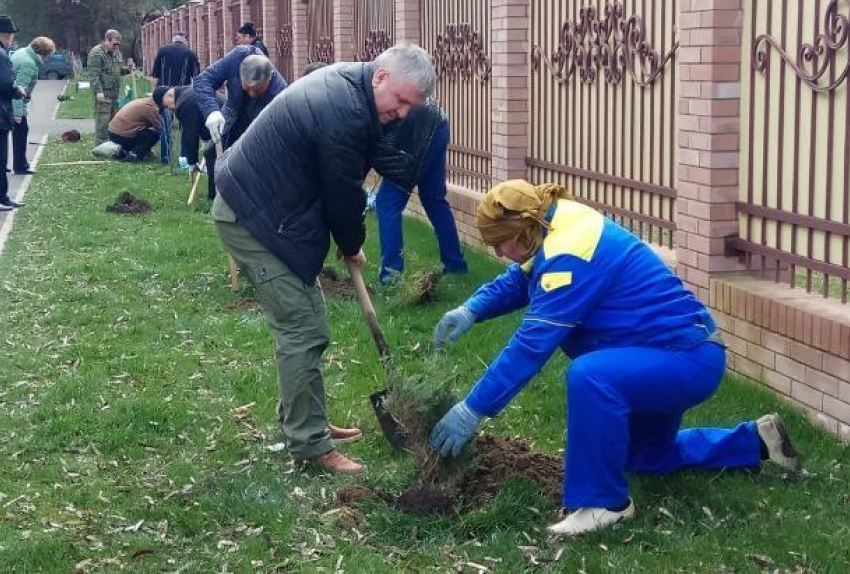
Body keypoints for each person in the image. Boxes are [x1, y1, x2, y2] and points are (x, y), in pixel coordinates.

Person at [429, 179, 802, 537]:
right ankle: (755, 442)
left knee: (592, 376)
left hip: (682, 359)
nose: (498, 253)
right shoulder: (554, 220)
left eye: (502, 243)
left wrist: (473, 409)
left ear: (526, 226)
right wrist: (473, 308)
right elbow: (521, 278)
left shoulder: (571, 253)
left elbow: (530, 346)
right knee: (643, 458)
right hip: (666, 354)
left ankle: (603, 505)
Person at [211, 44, 436, 474]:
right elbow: (342, 195)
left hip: (271, 209)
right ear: (382, 78)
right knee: (303, 327)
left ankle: (305, 419)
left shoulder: (356, 89)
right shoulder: (346, 111)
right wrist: (351, 243)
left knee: (308, 321)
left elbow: (355, 170)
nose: (404, 113)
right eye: (402, 101)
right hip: (253, 216)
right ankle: (310, 445)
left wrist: (347, 238)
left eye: (413, 106)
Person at [375, 105, 468, 284]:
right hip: (438, 121)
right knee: (434, 199)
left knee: (387, 204)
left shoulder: (354, 101)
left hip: (416, 127)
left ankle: (391, 277)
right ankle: (455, 266)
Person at [194, 47, 286, 199]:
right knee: (212, 150)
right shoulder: (236, 58)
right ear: (240, 75)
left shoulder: (279, 91)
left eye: (257, 90)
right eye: (247, 88)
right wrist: (212, 111)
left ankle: (254, 199)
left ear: (269, 78)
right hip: (233, 108)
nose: (251, 93)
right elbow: (202, 81)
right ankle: (216, 199)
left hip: (262, 116)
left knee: (252, 156)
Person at [151, 32, 201, 164]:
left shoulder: (162, 51)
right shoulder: (191, 54)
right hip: (182, 96)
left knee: (165, 127)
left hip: (163, 95)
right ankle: (183, 158)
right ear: (185, 42)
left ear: (173, 41)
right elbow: (196, 79)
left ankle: (165, 157)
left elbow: (155, 75)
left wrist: (154, 94)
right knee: (185, 128)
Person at [10, 36, 56, 175]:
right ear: (43, 52)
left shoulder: (22, 52)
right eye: (49, 55)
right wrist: (18, 113)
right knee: (21, 132)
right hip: (12, 104)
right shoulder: (28, 63)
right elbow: (18, 88)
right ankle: (20, 166)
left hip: (6, 101)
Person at [156, 85, 223, 172]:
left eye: (165, 105)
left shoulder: (183, 103)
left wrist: (192, 163)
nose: (168, 109)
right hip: (225, 121)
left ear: (169, 95)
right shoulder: (187, 93)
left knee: (215, 165)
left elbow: (191, 133)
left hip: (225, 126)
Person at [0, 15, 26, 211]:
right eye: (10, 36)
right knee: (1, 158)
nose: (12, 40)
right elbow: (6, 85)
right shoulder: (1, 55)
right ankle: (1, 197)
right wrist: (18, 91)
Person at [88, 29, 129, 144]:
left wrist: (128, 70)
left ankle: (112, 143)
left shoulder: (117, 53)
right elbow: (94, 75)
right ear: (107, 40)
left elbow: (118, 70)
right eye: (114, 44)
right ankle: (101, 145)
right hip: (104, 93)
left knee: (114, 119)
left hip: (115, 93)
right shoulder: (97, 54)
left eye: (118, 44)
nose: (116, 47)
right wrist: (98, 91)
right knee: (103, 120)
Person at [107, 93, 161, 162]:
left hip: (113, 132)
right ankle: (134, 155)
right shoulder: (150, 107)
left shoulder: (145, 101)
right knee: (153, 135)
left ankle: (125, 151)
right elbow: (159, 127)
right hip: (121, 135)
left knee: (144, 131)